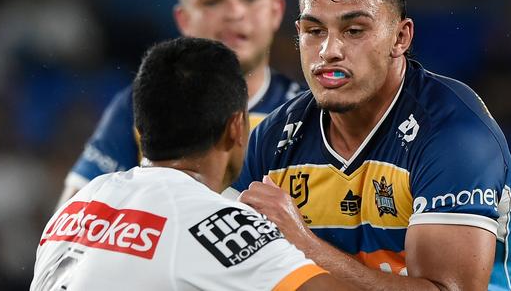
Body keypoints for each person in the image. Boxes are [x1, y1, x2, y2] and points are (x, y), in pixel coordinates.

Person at [235, 0, 511, 290]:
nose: (329, 51)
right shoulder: (273, 139)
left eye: (354, 30)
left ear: (400, 37)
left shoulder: (454, 134)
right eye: (315, 32)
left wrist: (303, 242)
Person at [31, 37, 349, 291]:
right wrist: (301, 239)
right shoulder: (216, 221)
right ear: (236, 127)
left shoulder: (79, 204)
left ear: (140, 132)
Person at [58, 0, 302, 204]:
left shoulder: (311, 116)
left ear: (276, 11)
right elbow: (73, 219)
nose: (234, 12)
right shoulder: (142, 104)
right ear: (183, 20)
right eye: (212, 0)